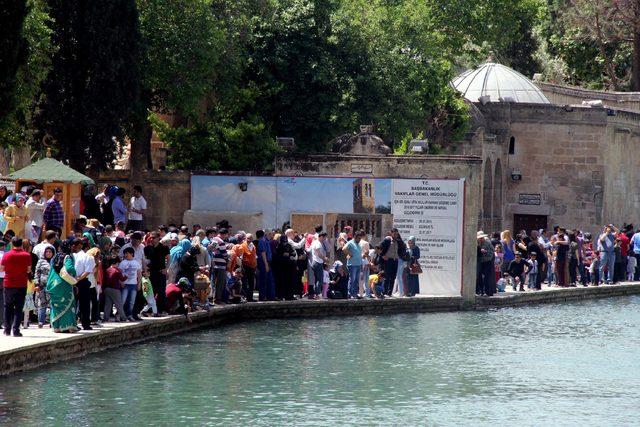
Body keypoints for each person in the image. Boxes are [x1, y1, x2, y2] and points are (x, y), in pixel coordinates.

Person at [0, 237, 32, 336]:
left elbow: (1, 269)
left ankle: (7, 329)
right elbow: (28, 270)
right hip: (21, 284)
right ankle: (16, 330)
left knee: (7, 306)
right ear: (21, 244)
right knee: (18, 307)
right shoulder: (27, 255)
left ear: (12, 244)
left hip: (8, 283)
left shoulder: (6, 255)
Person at [47, 239, 78, 333]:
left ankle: (57, 327)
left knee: (56, 305)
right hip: (63, 284)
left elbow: (51, 270)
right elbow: (70, 268)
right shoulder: (67, 257)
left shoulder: (55, 257)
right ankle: (69, 326)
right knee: (68, 305)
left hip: (53, 284)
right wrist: (74, 274)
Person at [72, 238, 94, 330]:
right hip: (82, 282)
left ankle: (72, 323)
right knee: (84, 304)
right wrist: (79, 279)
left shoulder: (70, 256)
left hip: (71, 281)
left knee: (72, 304)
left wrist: (74, 280)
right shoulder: (88, 257)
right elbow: (88, 271)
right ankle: (85, 324)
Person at [145, 231, 169, 314]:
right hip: (151, 273)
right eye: (150, 237)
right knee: (151, 292)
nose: (151, 239)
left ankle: (160, 310)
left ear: (158, 238)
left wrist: (166, 268)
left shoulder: (164, 248)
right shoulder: (147, 248)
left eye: (153, 237)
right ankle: (150, 309)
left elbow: (169, 258)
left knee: (161, 292)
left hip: (161, 272)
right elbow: (145, 260)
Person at [380, 228, 407, 296]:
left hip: (396, 260)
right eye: (394, 234)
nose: (396, 235)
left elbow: (403, 247)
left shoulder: (399, 241)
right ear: (391, 233)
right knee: (387, 276)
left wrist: (402, 255)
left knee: (393, 277)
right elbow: (379, 247)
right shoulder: (387, 240)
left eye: (397, 234)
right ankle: (385, 292)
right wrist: (382, 255)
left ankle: (390, 292)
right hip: (388, 260)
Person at [120, 247, 142, 321]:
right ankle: (120, 314)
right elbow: (119, 274)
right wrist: (121, 282)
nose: (125, 255)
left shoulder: (136, 263)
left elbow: (139, 274)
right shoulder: (122, 263)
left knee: (131, 301)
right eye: (125, 254)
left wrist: (139, 284)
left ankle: (129, 315)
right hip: (125, 284)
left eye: (127, 253)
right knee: (123, 300)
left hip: (133, 284)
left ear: (131, 254)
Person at [102, 257, 127, 322]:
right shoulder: (117, 270)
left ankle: (105, 318)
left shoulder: (107, 270)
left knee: (108, 304)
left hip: (107, 289)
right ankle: (124, 318)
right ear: (117, 263)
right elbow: (122, 279)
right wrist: (127, 276)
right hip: (115, 289)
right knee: (119, 304)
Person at [34, 246, 54, 328]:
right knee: (42, 304)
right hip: (42, 286)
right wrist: (37, 284)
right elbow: (37, 273)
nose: (48, 253)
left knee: (52, 303)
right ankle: (41, 321)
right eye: (47, 252)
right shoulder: (41, 261)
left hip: (52, 286)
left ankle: (52, 321)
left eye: (50, 252)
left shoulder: (55, 261)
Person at [273, 234, 297, 300]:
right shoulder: (278, 246)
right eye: (283, 241)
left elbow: (293, 253)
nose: (285, 243)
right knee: (281, 282)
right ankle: (280, 296)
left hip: (289, 267)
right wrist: (282, 254)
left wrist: (288, 254)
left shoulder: (289, 246)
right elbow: (276, 256)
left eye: (286, 241)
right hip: (281, 267)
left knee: (290, 282)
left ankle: (289, 296)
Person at [343, 230, 364, 299]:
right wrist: (349, 253)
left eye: (360, 238)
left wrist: (361, 264)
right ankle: (350, 294)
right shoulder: (350, 243)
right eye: (359, 238)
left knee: (356, 280)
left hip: (358, 264)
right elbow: (344, 249)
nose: (360, 240)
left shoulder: (358, 244)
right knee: (352, 279)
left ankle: (355, 293)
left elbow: (359, 254)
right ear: (355, 237)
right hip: (352, 265)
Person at [256, 229, 276, 301]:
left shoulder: (267, 241)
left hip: (268, 262)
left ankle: (270, 296)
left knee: (270, 280)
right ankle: (262, 297)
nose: (272, 236)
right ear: (267, 234)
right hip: (264, 262)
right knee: (263, 280)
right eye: (271, 234)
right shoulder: (263, 241)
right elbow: (263, 253)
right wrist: (266, 264)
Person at [309, 232, 329, 299]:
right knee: (319, 279)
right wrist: (325, 258)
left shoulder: (315, 242)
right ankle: (317, 294)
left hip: (315, 262)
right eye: (324, 237)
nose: (325, 239)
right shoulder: (318, 243)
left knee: (317, 279)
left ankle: (316, 293)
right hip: (317, 262)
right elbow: (318, 253)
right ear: (321, 237)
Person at [240, 233, 257, 302]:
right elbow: (240, 257)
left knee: (251, 283)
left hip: (252, 267)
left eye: (251, 238)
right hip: (245, 266)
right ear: (245, 238)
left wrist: (255, 265)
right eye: (248, 238)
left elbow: (255, 256)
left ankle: (250, 297)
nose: (249, 240)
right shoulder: (242, 246)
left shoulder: (253, 246)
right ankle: (244, 297)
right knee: (244, 282)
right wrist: (241, 267)